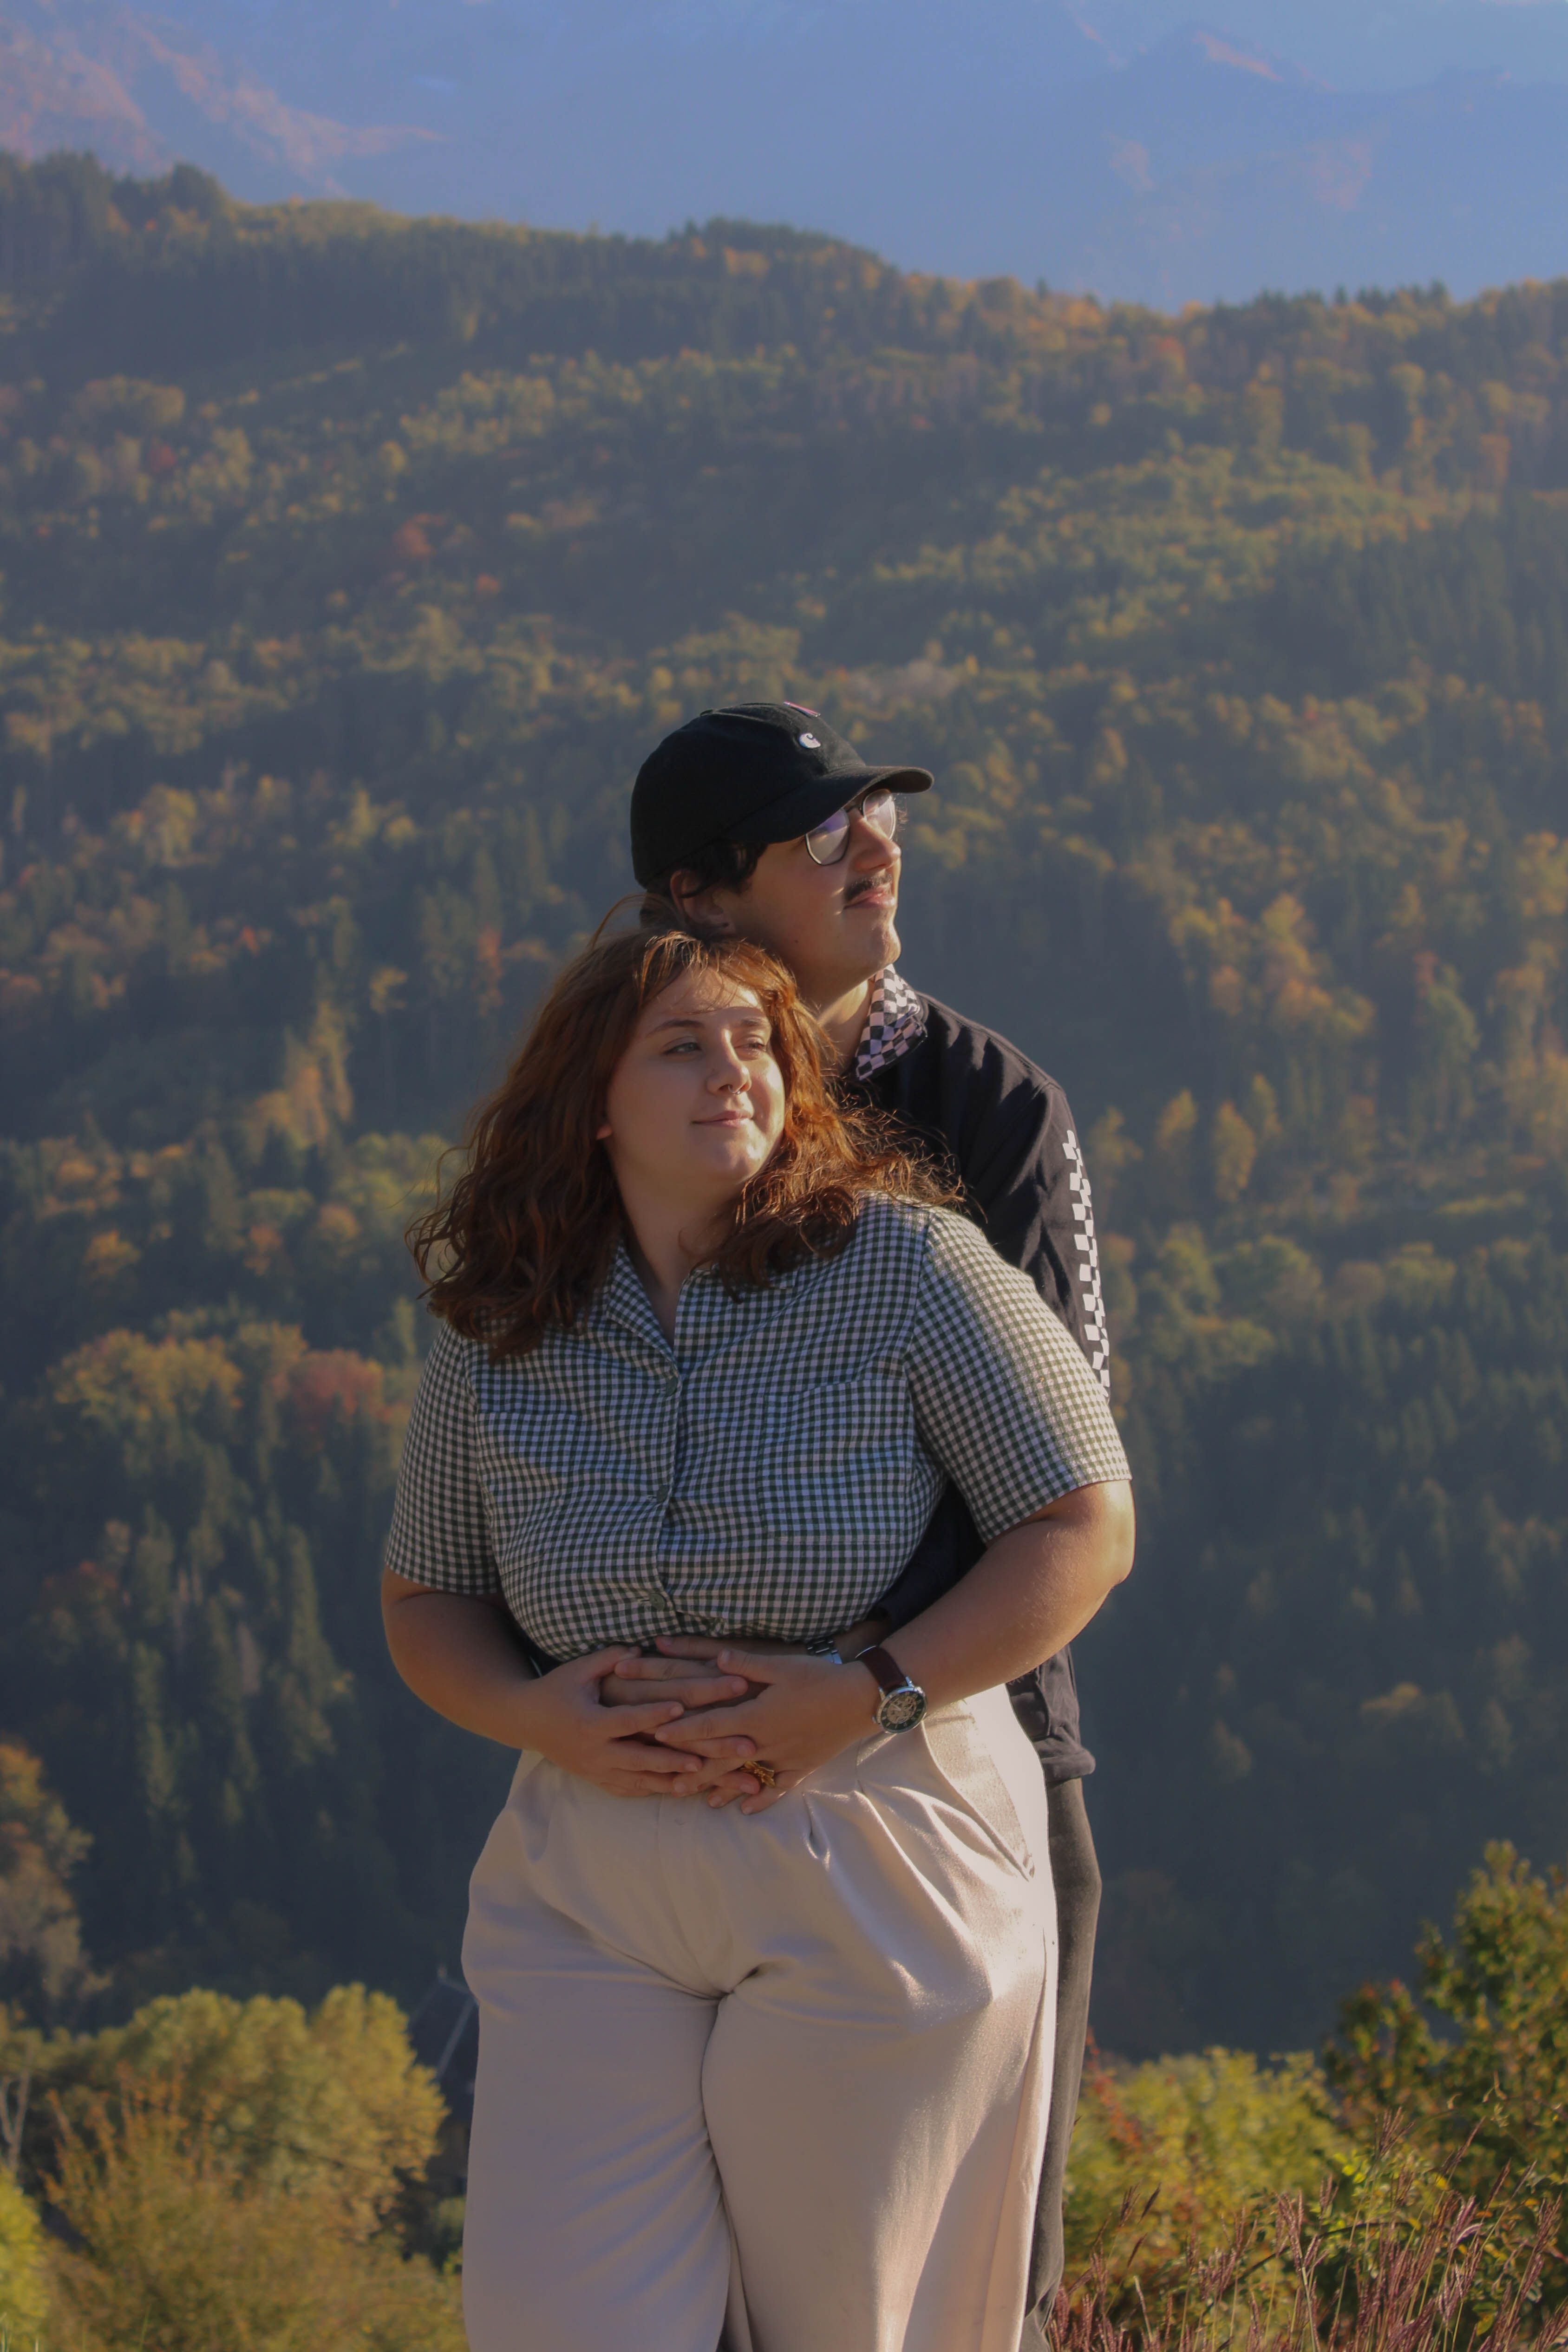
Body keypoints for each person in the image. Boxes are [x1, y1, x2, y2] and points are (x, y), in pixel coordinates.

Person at [381, 921, 1134, 2352]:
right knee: (561, 2322)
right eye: (683, 1044)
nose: (734, 1072)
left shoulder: (908, 1267)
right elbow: (427, 1601)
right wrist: (536, 1719)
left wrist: (872, 1695)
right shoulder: (502, 1321)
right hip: (590, 1883)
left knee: (855, 2328)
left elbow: (1085, 1527)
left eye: (757, 1045)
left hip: (878, 1852)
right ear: (591, 1099)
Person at [612, 699, 1113, 2339]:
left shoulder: (990, 1115)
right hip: (658, 1805)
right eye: (820, 831)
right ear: (695, 895)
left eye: (881, 814)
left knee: (947, 2313)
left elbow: (1069, 1490)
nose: (876, 845)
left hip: (952, 1780)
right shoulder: (602, 1106)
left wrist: (853, 1694)